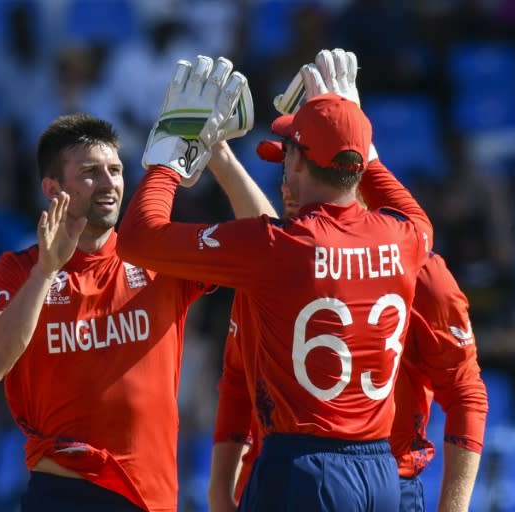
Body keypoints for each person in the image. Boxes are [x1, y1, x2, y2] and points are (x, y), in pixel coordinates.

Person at [117, 54, 434, 510]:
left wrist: (172, 147)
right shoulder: (406, 238)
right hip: (380, 472)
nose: (282, 173)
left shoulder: (276, 245)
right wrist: (354, 131)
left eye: (288, 156)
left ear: (302, 164)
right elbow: (410, 213)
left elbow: (139, 238)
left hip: (304, 471)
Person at [206, 50, 487, 512]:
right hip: (278, 478)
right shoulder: (272, 266)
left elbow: (466, 392)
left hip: (388, 483)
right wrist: (220, 491)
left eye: (302, 165)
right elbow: (237, 381)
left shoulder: (420, 269)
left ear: (346, 172)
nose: (288, 183)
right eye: (287, 166)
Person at [0, 90, 272, 511]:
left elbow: (272, 247)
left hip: (153, 497)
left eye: (115, 169)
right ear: (51, 187)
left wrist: (217, 152)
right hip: (68, 489)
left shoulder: (157, 255)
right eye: (91, 172)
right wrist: (46, 270)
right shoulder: (18, 269)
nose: (110, 182)